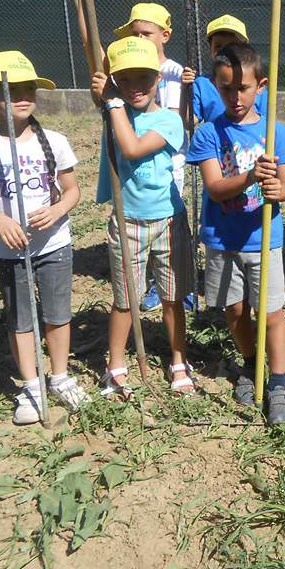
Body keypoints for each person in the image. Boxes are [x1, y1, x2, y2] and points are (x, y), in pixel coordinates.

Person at [0, 51, 89, 424]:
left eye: (28, 87)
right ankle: (31, 385)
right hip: (9, 250)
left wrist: (58, 210)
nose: (24, 95)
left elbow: (73, 190)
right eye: (11, 90)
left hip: (54, 245)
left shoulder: (56, 141)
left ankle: (60, 376)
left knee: (58, 314)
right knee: (21, 319)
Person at [186, 43, 285, 423]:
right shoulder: (208, 134)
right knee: (235, 311)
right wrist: (251, 176)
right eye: (226, 88)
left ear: (261, 86)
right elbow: (215, 189)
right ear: (216, 87)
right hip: (223, 239)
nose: (235, 97)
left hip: (262, 240)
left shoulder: (276, 133)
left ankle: (280, 381)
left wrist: (276, 190)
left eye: (243, 88)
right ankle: (251, 363)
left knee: (271, 313)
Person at [90, 37, 194, 397]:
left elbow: (132, 149)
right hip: (128, 221)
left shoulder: (169, 120)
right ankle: (115, 364)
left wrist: (113, 100)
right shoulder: (114, 109)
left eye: (144, 79)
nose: (136, 87)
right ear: (116, 79)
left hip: (168, 221)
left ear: (158, 79)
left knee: (172, 297)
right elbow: (96, 51)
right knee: (125, 299)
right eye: (126, 79)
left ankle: (179, 359)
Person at [113, 2, 196, 312]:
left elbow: (185, 120)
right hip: (137, 158)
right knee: (144, 219)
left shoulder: (175, 72)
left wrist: (188, 89)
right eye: (135, 33)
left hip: (170, 156)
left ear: (165, 34)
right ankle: (150, 283)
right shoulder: (126, 72)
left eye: (146, 33)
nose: (140, 38)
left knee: (170, 219)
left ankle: (178, 284)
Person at [191, 14, 267, 125]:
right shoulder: (202, 84)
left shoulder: (255, 86)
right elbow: (189, 122)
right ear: (210, 48)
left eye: (232, 45)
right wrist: (185, 89)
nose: (225, 51)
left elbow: (265, 124)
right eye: (218, 46)